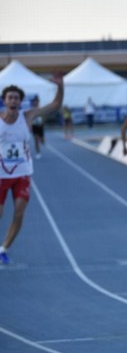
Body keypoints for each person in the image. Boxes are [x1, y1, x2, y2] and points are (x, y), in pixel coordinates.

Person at [0, 76, 64, 264]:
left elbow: (55, 105)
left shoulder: (27, 116)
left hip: (22, 173)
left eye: (16, 98)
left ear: (20, 101)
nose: (13, 101)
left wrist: (60, 87)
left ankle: (4, 248)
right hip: (1, 174)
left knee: (19, 212)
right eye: (10, 98)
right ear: (4, 101)